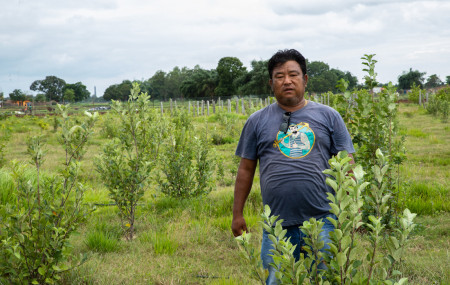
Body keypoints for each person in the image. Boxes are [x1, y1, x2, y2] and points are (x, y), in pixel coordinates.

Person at [231, 49, 355, 285]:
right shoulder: (256, 121)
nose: (286, 81)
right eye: (279, 76)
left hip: (323, 222)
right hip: (277, 225)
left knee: (326, 280)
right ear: (271, 83)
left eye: (293, 74)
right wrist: (237, 214)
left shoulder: (329, 116)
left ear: (305, 79)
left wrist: (351, 212)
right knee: (277, 280)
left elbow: (347, 165)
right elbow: (245, 170)